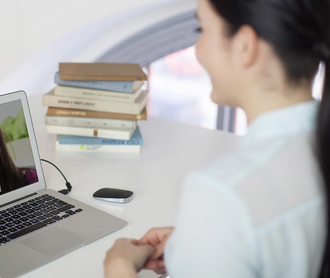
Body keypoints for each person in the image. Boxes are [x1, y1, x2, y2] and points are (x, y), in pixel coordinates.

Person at [104, 0, 330, 277]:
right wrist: (207, 242)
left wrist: (118, 266)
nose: (197, 49)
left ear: (245, 46)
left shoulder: (223, 192)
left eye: (202, 28)